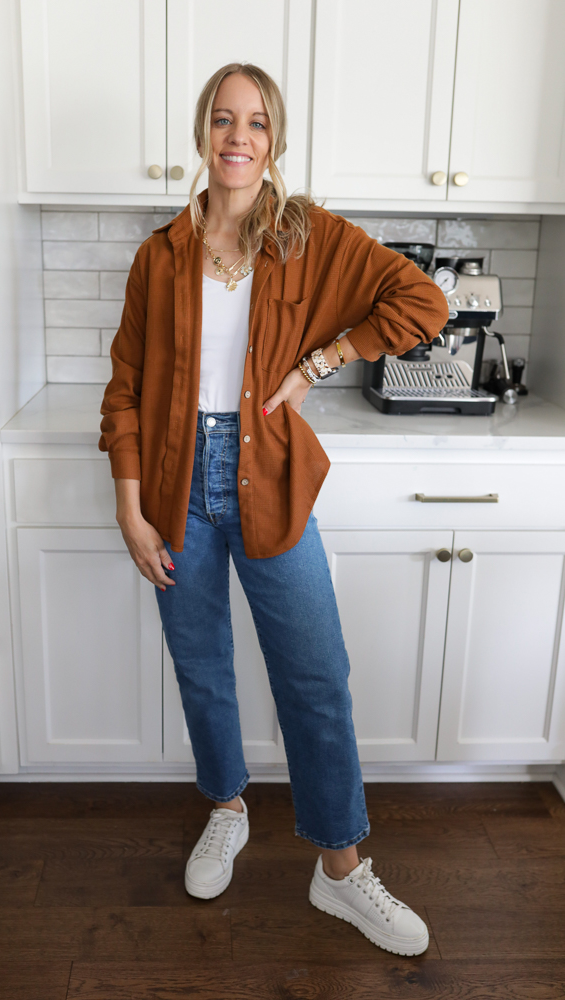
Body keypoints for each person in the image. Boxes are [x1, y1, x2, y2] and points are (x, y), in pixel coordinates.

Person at [100, 62, 449, 957]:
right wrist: (131, 512)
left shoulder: (310, 238)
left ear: (275, 139)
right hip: (175, 485)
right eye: (222, 119)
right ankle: (226, 809)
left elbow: (422, 300)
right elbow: (127, 391)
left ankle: (339, 870)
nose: (238, 137)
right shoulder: (160, 254)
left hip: (269, 477)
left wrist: (319, 363)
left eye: (255, 122)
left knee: (315, 678)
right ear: (202, 133)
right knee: (202, 665)